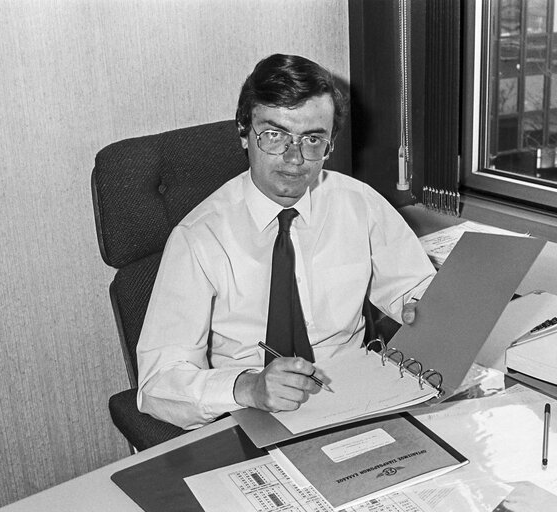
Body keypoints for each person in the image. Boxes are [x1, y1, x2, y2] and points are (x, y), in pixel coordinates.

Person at [135, 54, 436, 430]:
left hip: (357, 401)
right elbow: (156, 384)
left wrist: (423, 307)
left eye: (312, 139)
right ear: (244, 133)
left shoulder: (359, 204)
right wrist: (248, 387)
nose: (294, 159)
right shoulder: (199, 237)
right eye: (274, 135)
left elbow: (416, 289)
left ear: (331, 144)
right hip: (248, 416)